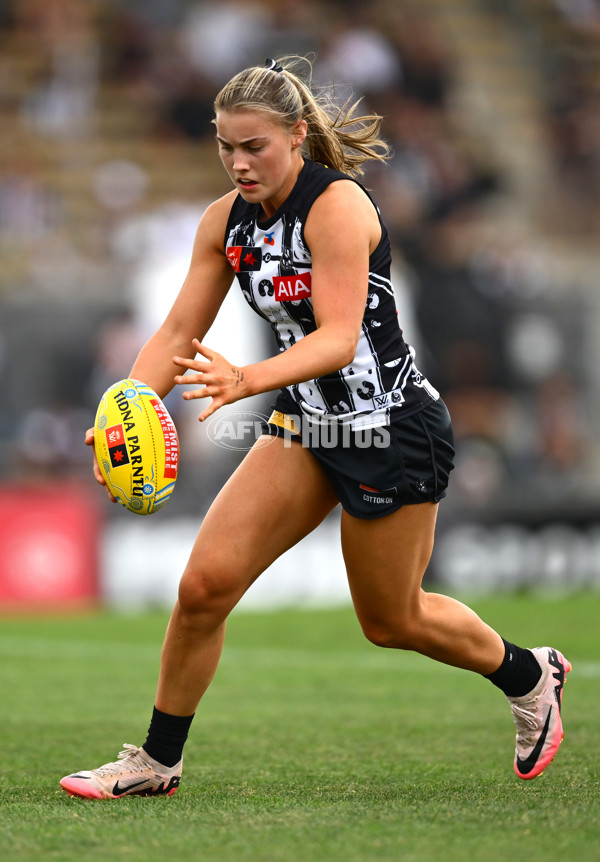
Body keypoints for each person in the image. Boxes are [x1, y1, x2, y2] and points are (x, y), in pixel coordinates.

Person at [60, 57, 570, 799]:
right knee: (203, 586)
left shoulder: (336, 207)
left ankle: (529, 673)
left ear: (297, 136)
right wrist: (125, 407)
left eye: (254, 146)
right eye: (226, 147)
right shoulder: (226, 222)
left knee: (391, 621)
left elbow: (337, 339)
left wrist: (245, 380)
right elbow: (174, 333)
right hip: (306, 425)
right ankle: (157, 763)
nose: (239, 163)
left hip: (390, 429)